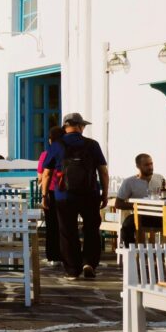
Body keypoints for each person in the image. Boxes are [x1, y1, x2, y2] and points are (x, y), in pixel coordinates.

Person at [39, 112, 109, 279]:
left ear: (65, 126)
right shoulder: (92, 144)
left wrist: (44, 196)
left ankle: (72, 270)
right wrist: (104, 193)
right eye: (83, 125)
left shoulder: (56, 145)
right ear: (79, 126)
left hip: (64, 196)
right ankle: (89, 263)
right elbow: (103, 172)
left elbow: (47, 174)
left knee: (67, 231)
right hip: (90, 194)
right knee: (91, 229)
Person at [113, 153, 165, 246]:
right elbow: (118, 204)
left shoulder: (159, 178)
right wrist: (137, 206)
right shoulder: (129, 182)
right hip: (141, 215)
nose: (150, 167)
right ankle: (132, 252)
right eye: (146, 165)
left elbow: (165, 194)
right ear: (138, 166)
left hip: (159, 215)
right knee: (127, 225)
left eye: (151, 164)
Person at [37, 125, 64, 266]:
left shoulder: (45, 155)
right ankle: (66, 255)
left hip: (51, 192)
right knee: (65, 225)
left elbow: (41, 177)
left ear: (49, 140)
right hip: (66, 192)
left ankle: (52, 256)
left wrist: (44, 195)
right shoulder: (67, 152)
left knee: (51, 225)